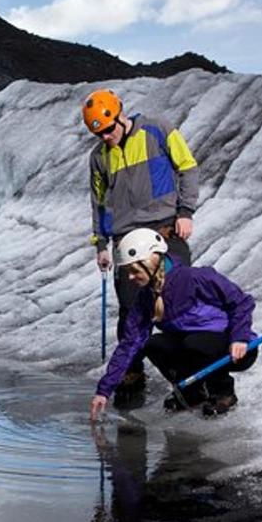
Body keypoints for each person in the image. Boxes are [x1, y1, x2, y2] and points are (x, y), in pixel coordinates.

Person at [83, 88, 199, 400]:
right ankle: (132, 372)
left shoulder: (157, 129)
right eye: (99, 134)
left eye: (109, 129)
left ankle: (193, 375)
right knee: (131, 308)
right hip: (125, 240)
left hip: (165, 232)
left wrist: (185, 212)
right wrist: (100, 245)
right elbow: (100, 203)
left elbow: (187, 166)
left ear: (120, 115)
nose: (106, 137)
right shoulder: (98, 157)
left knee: (178, 300)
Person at [88, 228, 258, 421]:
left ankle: (223, 394)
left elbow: (242, 302)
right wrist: (104, 390)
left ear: (150, 262)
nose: (130, 278)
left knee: (195, 342)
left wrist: (239, 338)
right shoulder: (145, 298)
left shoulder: (195, 278)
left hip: (237, 348)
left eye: (134, 271)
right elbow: (129, 344)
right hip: (194, 347)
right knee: (152, 344)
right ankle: (192, 393)